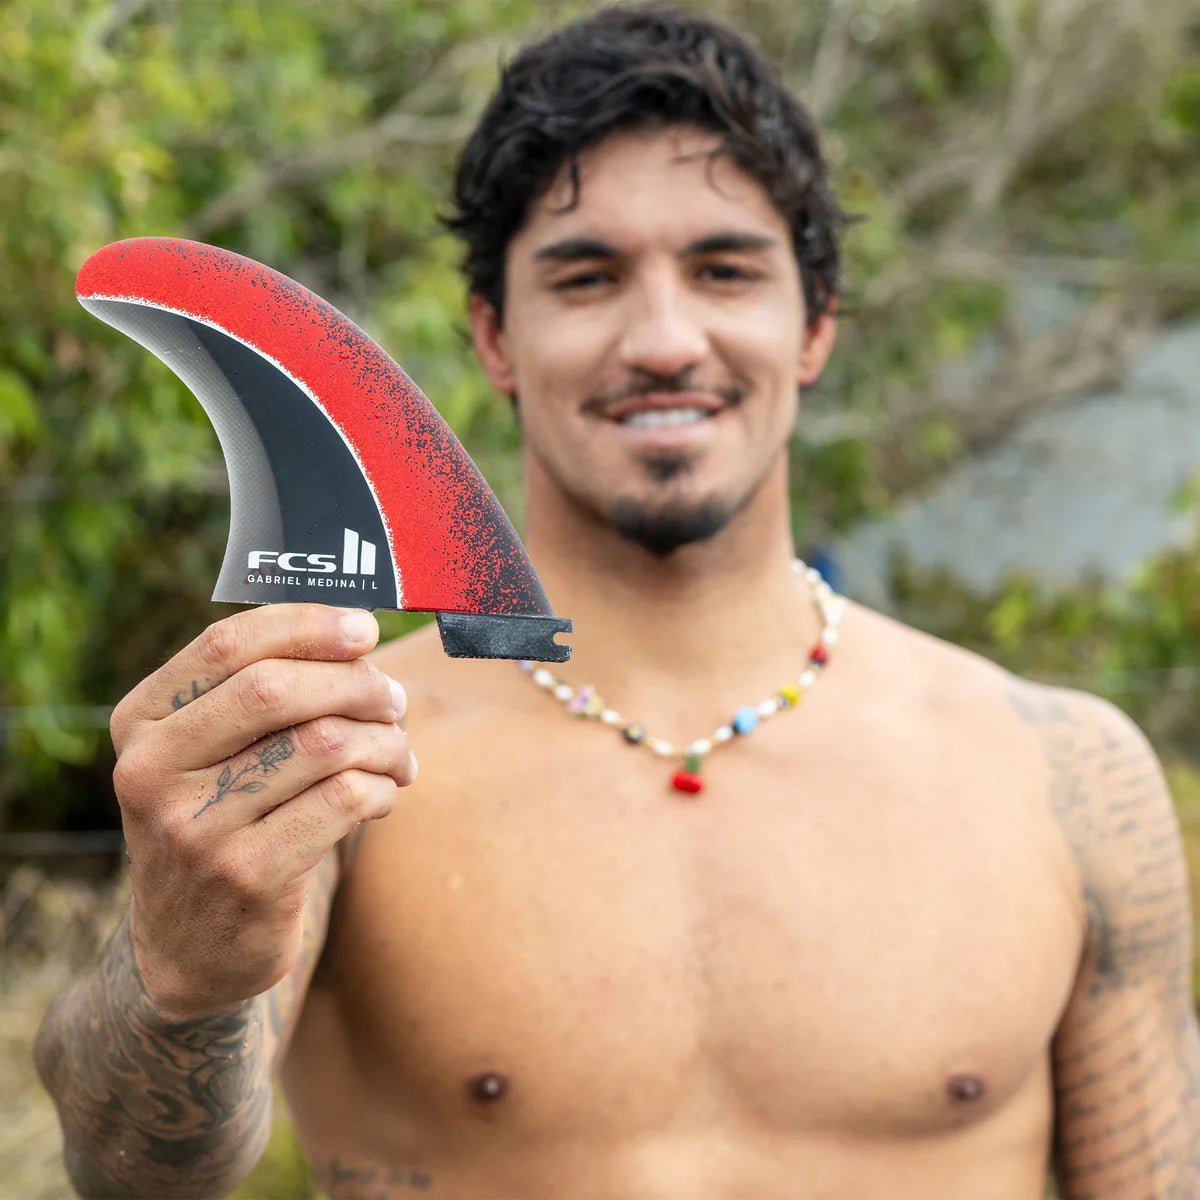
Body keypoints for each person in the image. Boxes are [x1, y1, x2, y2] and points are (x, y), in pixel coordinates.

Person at [35, 5, 1200, 1198]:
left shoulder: (1061, 774)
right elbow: (136, 1171)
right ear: (496, 337)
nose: (664, 340)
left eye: (725, 270)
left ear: (815, 326)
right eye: (587, 278)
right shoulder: (347, 743)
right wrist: (176, 971)